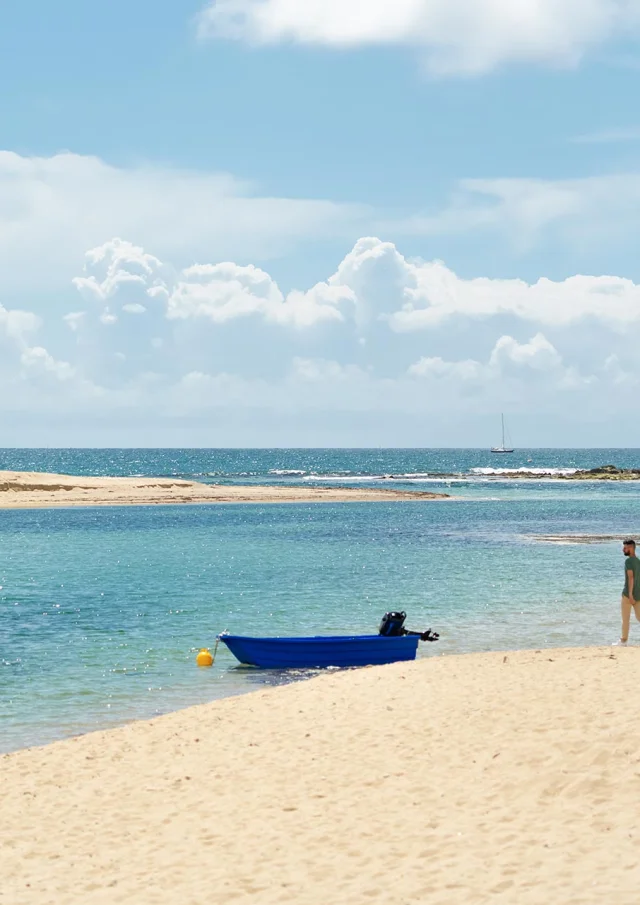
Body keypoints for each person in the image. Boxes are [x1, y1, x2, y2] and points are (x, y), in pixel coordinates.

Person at [614, 538, 640, 646]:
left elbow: (631, 578)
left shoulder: (628, 561)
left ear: (630, 548)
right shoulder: (638, 561)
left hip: (628, 596)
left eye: (625, 548)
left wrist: (630, 595)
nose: (623, 550)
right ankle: (623, 641)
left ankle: (623, 641)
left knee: (625, 619)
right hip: (638, 595)